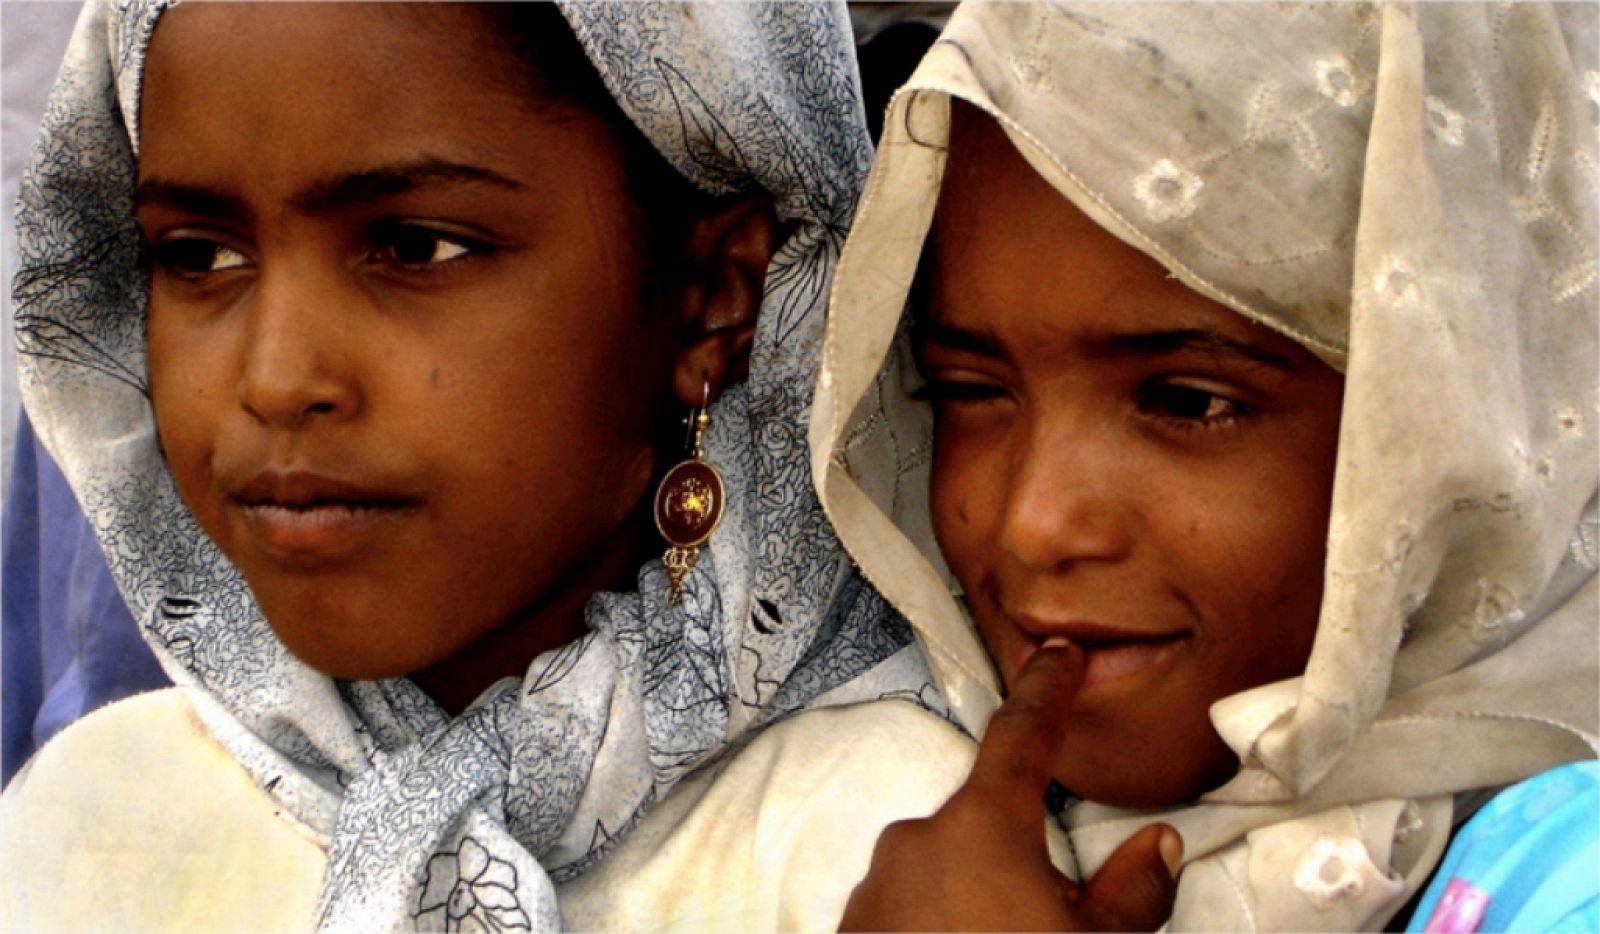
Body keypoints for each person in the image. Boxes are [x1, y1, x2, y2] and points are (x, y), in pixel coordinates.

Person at [0, 2, 940, 930]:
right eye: (199, 255)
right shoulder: (89, 826)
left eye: (417, 247)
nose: (277, 378)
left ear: (712, 302)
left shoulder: (895, 853)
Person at [805, 2, 1598, 930]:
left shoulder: (1563, 883)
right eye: (968, 389)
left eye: (1188, 402)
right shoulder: (890, 810)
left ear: (1469, 410)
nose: (1034, 521)